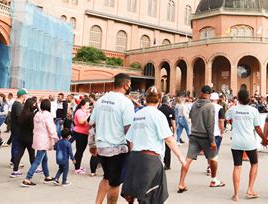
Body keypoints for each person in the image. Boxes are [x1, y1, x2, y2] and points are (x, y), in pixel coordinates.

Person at [122, 86, 186, 204]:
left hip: (135, 158)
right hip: (150, 160)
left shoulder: (138, 115)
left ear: (146, 99)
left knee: (138, 194)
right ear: (160, 99)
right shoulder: (158, 115)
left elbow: (130, 140)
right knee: (152, 197)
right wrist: (181, 157)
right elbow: (168, 139)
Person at [89, 73, 135, 204]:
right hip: (117, 148)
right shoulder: (125, 102)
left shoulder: (101, 100)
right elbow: (128, 129)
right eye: (130, 85)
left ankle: (97, 202)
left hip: (102, 147)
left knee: (106, 177)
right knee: (115, 183)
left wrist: (92, 144)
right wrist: (132, 148)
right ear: (126, 85)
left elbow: (91, 124)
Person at [177, 85, 225, 193]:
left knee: (188, 159)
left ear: (201, 93)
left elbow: (190, 117)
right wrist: (212, 141)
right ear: (209, 94)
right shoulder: (210, 106)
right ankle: (214, 180)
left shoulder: (194, 104)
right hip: (205, 137)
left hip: (194, 135)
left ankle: (181, 183)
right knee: (213, 158)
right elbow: (210, 125)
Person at [225, 89, 268, 202]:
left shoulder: (233, 109)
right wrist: (264, 139)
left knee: (237, 167)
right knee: (254, 164)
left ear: (238, 98)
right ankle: (250, 190)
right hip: (249, 142)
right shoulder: (253, 110)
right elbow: (257, 128)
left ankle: (236, 195)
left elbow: (226, 117)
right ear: (249, 98)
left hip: (236, 142)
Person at [21, 99, 58, 187]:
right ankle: (27, 178)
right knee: (38, 160)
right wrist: (56, 138)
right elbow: (51, 128)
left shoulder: (37, 114)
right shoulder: (48, 115)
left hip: (37, 138)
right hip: (44, 139)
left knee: (44, 159)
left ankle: (47, 176)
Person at [10, 97, 37, 178]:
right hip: (29, 137)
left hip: (21, 136)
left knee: (19, 154)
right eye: (34, 104)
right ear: (31, 105)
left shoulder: (22, 113)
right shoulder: (31, 115)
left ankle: (15, 170)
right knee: (32, 154)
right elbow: (33, 127)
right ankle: (34, 169)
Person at [206, 92, 225, 176]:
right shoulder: (220, 108)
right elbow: (221, 121)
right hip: (216, 133)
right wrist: (222, 131)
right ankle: (212, 168)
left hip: (207, 132)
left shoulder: (206, 107)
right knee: (215, 152)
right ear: (217, 99)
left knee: (209, 151)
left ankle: (209, 166)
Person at [10, 89, 28, 169]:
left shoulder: (18, 103)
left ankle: (13, 160)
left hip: (16, 128)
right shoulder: (18, 104)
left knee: (16, 145)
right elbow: (19, 116)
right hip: (17, 128)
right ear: (22, 95)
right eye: (25, 94)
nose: (26, 96)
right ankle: (14, 161)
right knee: (16, 145)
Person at [73, 97, 91, 174]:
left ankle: (78, 165)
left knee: (80, 150)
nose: (87, 107)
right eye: (86, 105)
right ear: (82, 105)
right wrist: (88, 115)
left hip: (84, 133)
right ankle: (77, 168)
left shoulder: (83, 111)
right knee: (79, 151)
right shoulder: (79, 112)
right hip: (80, 133)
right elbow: (81, 121)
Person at [158, 95, 176, 170]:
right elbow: (173, 123)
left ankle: (160, 163)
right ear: (168, 101)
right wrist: (174, 133)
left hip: (159, 129)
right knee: (168, 148)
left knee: (159, 147)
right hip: (168, 130)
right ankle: (167, 164)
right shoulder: (171, 110)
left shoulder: (158, 109)